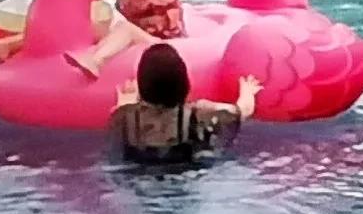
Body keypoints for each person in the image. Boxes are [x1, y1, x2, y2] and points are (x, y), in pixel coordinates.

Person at [109, 43, 265, 168]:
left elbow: (120, 114)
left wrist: (126, 101)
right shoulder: (200, 114)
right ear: (183, 81)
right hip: (188, 180)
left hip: (140, 182)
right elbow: (242, 110)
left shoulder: (124, 116)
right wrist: (248, 91)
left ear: (142, 85)